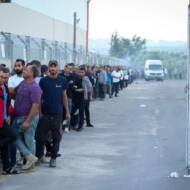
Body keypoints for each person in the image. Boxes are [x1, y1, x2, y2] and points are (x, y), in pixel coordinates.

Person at [35, 60, 70, 168]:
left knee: (56, 138)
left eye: (55, 66)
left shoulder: (63, 80)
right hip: (45, 114)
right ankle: (39, 156)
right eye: (51, 66)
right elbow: (39, 97)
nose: (53, 69)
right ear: (49, 68)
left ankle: (53, 158)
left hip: (57, 114)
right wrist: (39, 112)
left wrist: (67, 111)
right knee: (40, 137)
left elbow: (64, 96)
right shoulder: (43, 81)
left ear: (58, 68)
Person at [11, 64, 41, 170]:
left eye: (26, 70)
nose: (23, 71)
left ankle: (30, 164)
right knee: (13, 137)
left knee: (29, 139)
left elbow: (35, 105)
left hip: (28, 118)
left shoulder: (35, 87)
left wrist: (28, 121)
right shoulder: (22, 83)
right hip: (17, 116)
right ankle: (30, 157)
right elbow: (14, 93)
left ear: (32, 73)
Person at [0, 67, 19, 174]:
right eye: (1, 77)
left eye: (6, 77)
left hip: (4, 119)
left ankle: (6, 167)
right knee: (13, 136)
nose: (3, 79)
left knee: (6, 144)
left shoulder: (6, 88)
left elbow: (7, 103)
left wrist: (8, 116)